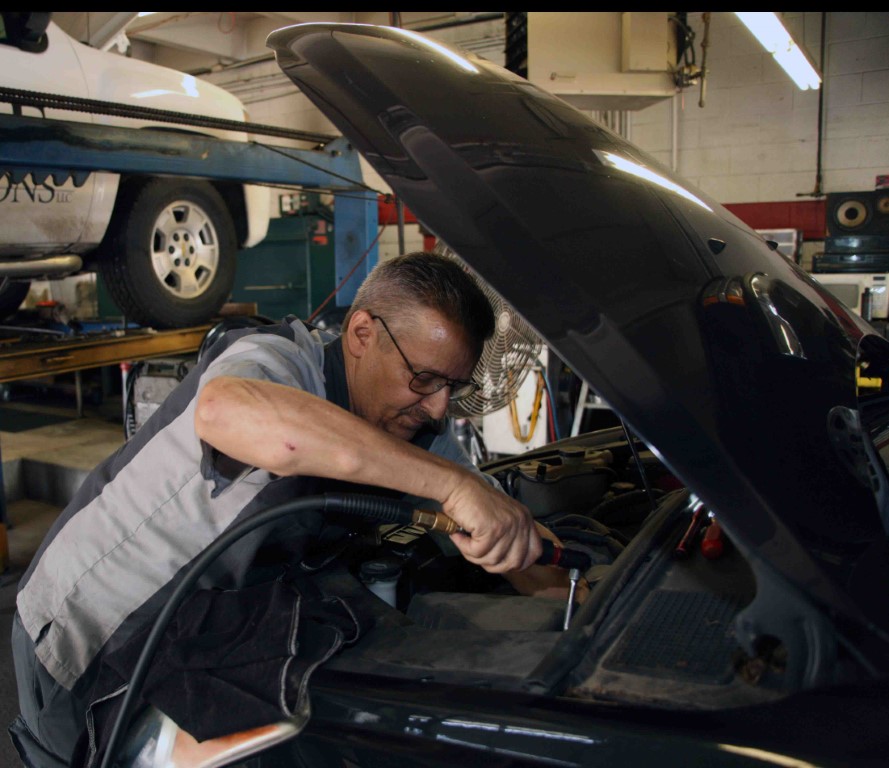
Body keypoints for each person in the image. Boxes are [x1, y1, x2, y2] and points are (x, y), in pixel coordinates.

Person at [9, 250, 569, 767]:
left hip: (198, 624)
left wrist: (566, 593)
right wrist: (450, 487)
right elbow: (228, 413)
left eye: (453, 385)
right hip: (87, 636)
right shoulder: (274, 361)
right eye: (423, 378)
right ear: (362, 333)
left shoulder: (412, 429)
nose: (439, 405)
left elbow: (495, 526)